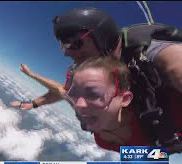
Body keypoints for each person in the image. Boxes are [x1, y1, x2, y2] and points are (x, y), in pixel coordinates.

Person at [10, 7, 182, 152]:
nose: (66, 51)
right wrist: (35, 102)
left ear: (102, 36)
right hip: (137, 146)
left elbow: (175, 62)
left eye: (73, 42)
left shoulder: (152, 55)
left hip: (155, 139)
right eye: (63, 44)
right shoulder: (82, 76)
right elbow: (63, 92)